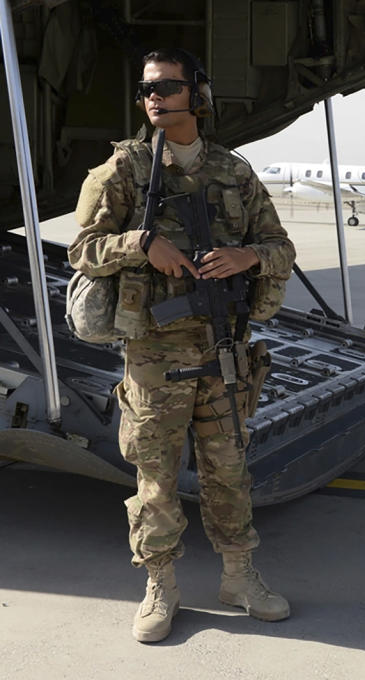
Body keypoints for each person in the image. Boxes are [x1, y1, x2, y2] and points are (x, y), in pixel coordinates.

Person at [68, 48, 296, 643]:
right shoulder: (121, 172)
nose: (154, 97)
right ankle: (160, 585)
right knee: (156, 480)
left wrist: (249, 256)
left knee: (229, 473)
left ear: (198, 93)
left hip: (223, 352)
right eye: (147, 88)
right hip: (153, 357)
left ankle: (239, 578)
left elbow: (280, 247)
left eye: (168, 86)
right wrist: (140, 245)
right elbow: (83, 252)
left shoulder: (233, 171)